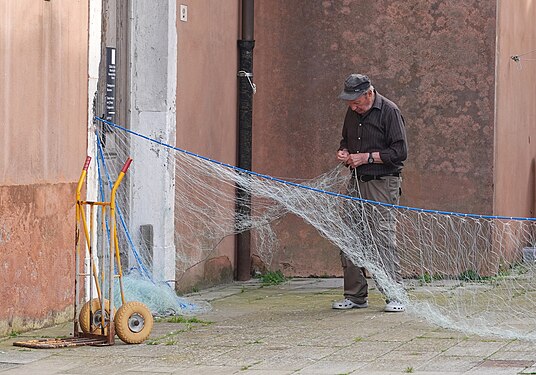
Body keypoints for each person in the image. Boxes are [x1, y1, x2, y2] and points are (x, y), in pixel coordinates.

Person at [332, 73, 408, 312]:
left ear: (369, 93)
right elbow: (346, 140)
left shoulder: (390, 111)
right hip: (356, 181)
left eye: (356, 101)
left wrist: (367, 157)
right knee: (350, 236)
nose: (353, 106)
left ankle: (395, 295)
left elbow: (400, 152)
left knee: (382, 238)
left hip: (382, 183)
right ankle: (355, 296)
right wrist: (344, 152)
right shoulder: (353, 112)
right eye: (349, 102)